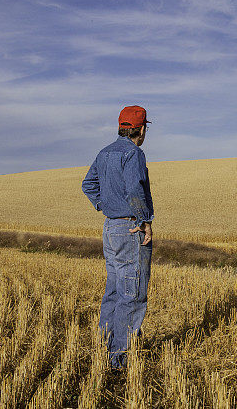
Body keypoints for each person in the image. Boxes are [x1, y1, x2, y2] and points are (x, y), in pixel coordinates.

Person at [81, 105, 154, 370]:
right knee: (132, 293)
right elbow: (135, 189)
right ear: (142, 128)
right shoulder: (133, 153)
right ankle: (119, 357)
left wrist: (105, 205)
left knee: (113, 289)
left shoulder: (104, 152)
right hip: (130, 228)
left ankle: (103, 346)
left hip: (110, 228)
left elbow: (88, 184)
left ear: (122, 126)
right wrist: (142, 221)